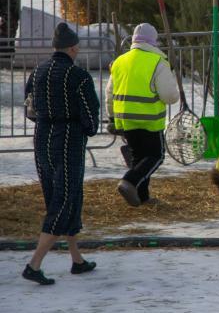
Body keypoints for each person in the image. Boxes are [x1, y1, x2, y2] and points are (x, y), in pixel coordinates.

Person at [22, 23, 99, 285]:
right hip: (68, 140)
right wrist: (86, 129)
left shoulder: (37, 72)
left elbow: (29, 108)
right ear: (73, 48)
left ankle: (77, 260)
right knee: (65, 200)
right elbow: (90, 116)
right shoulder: (78, 76)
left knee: (62, 197)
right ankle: (34, 264)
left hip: (41, 138)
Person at [107, 23, 179, 207]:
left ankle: (142, 198)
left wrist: (111, 117)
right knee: (156, 156)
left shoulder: (119, 61)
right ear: (153, 41)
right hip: (150, 120)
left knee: (138, 158)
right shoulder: (158, 62)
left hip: (126, 120)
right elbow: (169, 96)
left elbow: (109, 92)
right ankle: (129, 181)